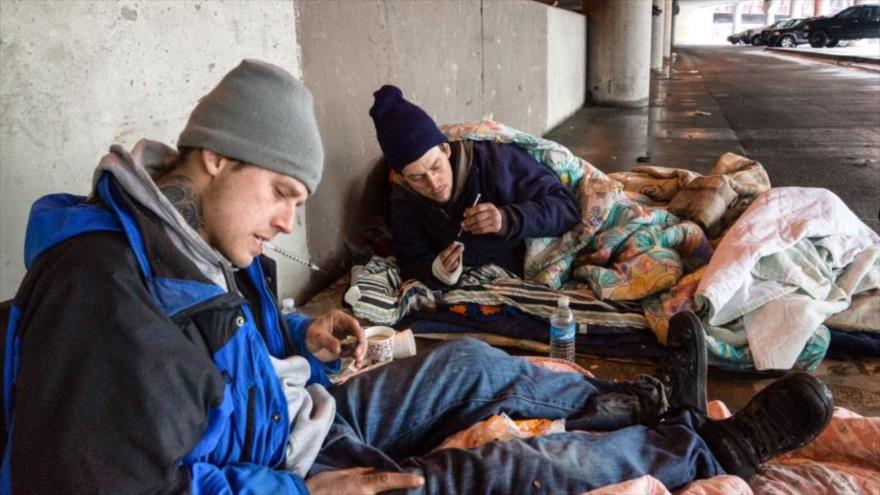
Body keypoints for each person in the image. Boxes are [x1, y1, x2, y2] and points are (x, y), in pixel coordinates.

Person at [2, 60, 834, 494]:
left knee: (469, 360)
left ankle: (647, 401)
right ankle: (706, 443)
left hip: (289, 416)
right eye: (283, 193)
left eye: (300, 199)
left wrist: (302, 334)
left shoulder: (190, 244)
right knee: (501, 474)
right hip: (281, 465)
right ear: (217, 157)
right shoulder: (99, 295)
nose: (291, 221)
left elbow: (220, 353)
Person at [369, 85, 581, 289]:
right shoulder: (403, 199)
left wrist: (507, 219)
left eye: (436, 166)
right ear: (402, 177)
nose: (433, 183)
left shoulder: (494, 163)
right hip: (476, 284)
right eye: (417, 178)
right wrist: (438, 271)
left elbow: (566, 208)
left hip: (522, 268)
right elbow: (411, 258)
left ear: (445, 149)